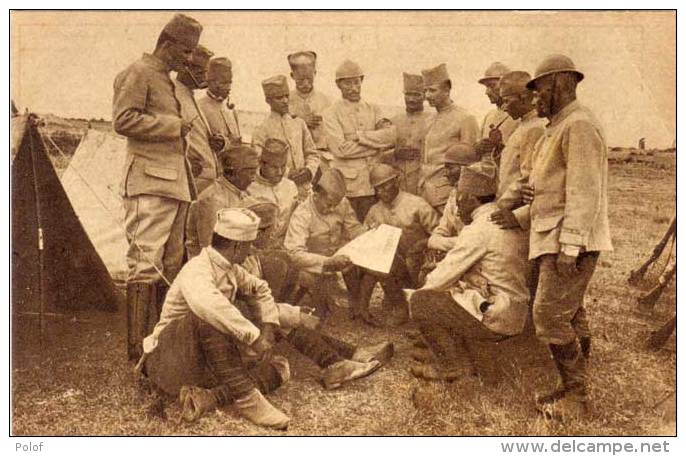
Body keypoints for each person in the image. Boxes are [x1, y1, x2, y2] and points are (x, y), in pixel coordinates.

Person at [517, 54, 612, 420]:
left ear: (559, 83)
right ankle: (574, 381)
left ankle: (578, 395)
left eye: (539, 89)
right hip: (552, 236)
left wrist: (570, 245)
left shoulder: (580, 125)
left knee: (549, 314)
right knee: (569, 310)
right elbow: (551, 182)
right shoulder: (557, 127)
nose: (535, 98)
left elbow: (585, 191)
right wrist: (533, 193)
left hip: (570, 242)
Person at [142, 208, 290, 430]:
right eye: (249, 245)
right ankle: (247, 397)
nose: (250, 251)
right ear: (237, 245)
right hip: (168, 361)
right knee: (209, 317)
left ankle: (210, 397)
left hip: (205, 364)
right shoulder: (197, 269)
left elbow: (260, 289)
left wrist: (269, 325)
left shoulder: (230, 268)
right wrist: (254, 336)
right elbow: (209, 305)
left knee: (280, 367)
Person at [112, 14, 202, 360]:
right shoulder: (139, 72)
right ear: (167, 44)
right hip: (149, 184)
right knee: (145, 264)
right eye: (186, 50)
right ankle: (138, 353)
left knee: (169, 263)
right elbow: (123, 120)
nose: (190, 58)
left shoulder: (164, 78)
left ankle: (159, 345)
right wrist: (172, 126)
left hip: (173, 185)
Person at [409, 161, 531, 382]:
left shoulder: (478, 229)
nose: (457, 207)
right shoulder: (502, 218)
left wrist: (415, 299)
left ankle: (454, 369)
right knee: (452, 295)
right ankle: (469, 359)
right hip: (513, 307)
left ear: (470, 199)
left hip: (497, 315)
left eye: (459, 200)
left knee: (422, 301)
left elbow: (439, 279)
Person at [283, 168, 372, 323]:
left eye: (335, 205)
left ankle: (359, 307)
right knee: (315, 293)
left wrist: (369, 234)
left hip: (338, 255)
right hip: (314, 263)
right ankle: (312, 309)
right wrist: (326, 262)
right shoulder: (302, 214)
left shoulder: (341, 203)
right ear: (316, 195)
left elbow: (353, 228)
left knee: (364, 264)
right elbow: (294, 254)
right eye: (329, 204)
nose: (332, 209)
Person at [361, 164, 439, 325]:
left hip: (420, 262)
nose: (381, 192)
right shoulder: (374, 211)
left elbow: (439, 232)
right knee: (376, 261)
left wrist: (423, 245)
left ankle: (412, 301)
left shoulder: (417, 204)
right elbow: (365, 239)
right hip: (394, 265)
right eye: (377, 188)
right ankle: (398, 305)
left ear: (396, 181)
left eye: (385, 185)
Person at [322, 59, 393, 222]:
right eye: (347, 84)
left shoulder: (374, 109)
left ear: (362, 81)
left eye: (356, 82)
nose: (353, 88)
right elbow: (341, 150)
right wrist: (376, 146)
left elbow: (389, 137)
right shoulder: (331, 113)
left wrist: (360, 137)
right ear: (338, 85)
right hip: (350, 188)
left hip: (376, 183)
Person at [489, 71, 546, 229]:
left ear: (522, 97)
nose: (505, 107)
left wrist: (501, 204)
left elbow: (527, 176)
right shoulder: (523, 125)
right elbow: (511, 165)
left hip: (515, 209)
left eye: (507, 101)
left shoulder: (535, 128)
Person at [419, 63, 479, 212]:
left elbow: (469, 162)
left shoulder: (465, 118)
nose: (427, 96)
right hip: (424, 192)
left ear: (447, 90)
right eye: (425, 91)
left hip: (447, 193)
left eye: (432, 90)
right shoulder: (428, 119)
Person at [185, 146, 258, 258]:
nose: (254, 179)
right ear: (232, 173)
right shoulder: (212, 199)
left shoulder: (242, 193)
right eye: (251, 173)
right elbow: (211, 249)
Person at [252, 75, 320, 194]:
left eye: (286, 96)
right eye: (279, 97)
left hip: (305, 188)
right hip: (279, 190)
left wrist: (309, 171)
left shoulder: (299, 123)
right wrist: (287, 173)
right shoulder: (262, 128)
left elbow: (312, 153)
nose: (285, 101)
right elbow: (259, 161)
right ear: (268, 100)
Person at [173, 45, 223, 194]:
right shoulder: (174, 95)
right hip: (191, 179)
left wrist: (216, 142)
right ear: (184, 68)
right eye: (201, 71)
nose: (205, 77)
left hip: (201, 182)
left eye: (206, 72)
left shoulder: (189, 95)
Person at [247, 138, 300, 245]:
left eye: (283, 166)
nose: (280, 172)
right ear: (261, 163)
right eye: (274, 167)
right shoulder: (248, 188)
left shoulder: (291, 186)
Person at [385, 73, 432, 194]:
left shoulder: (432, 120)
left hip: (423, 181)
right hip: (398, 182)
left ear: (425, 96)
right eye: (408, 94)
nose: (411, 99)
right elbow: (379, 154)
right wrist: (395, 154)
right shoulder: (393, 121)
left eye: (416, 95)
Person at [474, 61, 519, 161]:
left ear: (507, 84)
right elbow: (478, 153)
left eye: (492, 86)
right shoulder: (489, 116)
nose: (487, 92)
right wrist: (478, 148)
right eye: (486, 87)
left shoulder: (518, 116)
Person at [287, 51, 331, 151]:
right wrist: (301, 122)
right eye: (301, 80)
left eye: (309, 79)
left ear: (315, 73)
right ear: (292, 76)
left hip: (321, 154)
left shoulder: (326, 101)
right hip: (295, 154)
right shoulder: (285, 101)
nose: (306, 83)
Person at [197, 57, 242, 150]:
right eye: (224, 83)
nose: (229, 87)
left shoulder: (230, 110)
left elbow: (237, 142)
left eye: (230, 83)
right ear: (211, 82)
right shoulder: (200, 108)